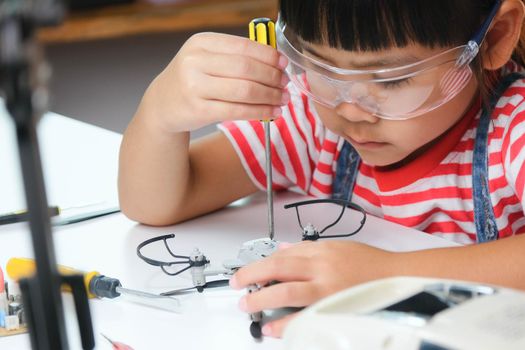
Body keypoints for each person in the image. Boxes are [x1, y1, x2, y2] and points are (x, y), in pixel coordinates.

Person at [119, 0, 525, 338]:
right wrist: (158, 116)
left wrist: (389, 274)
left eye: (390, 80)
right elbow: (158, 203)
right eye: (323, 69)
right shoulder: (310, 127)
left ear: (494, 37)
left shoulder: (514, 128)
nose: (350, 109)